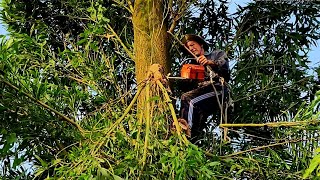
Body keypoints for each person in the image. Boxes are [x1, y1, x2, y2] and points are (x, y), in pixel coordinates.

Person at [178, 34, 230, 142]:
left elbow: (224, 66)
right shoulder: (191, 65)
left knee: (189, 100)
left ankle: (186, 135)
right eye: (188, 47)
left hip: (217, 90)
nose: (191, 48)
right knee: (185, 98)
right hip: (201, 96)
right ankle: (189, 134)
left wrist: (209, 62)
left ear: (201, 44)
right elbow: (184, 87)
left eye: (192, 44)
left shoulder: (215, 54)